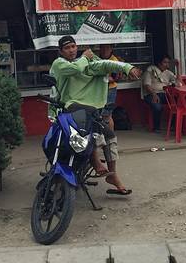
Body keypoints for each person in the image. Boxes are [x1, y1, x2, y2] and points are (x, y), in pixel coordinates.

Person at [50, 35, 141, 195]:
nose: (71, 50)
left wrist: (128, 68)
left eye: (73, 46)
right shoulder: (60, 64)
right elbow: (75, 69)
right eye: (67, 48)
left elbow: (106, 64)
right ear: (61, 51)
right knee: (88, 124)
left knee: (110, 135)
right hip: (67, 108)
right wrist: (85, 57)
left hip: (89, 110)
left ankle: (112, 174)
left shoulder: (87, 64)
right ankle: (95, 161)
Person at [141, 54, 180, 132]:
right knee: (157, 107)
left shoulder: (168, 72)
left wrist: (178, 68)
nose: (167, 65)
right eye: (165, 62)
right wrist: (154, 94)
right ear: (159, 63)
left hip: (164, 94)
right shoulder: (150, 70)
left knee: (178, 103)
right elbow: (147, 85)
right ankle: (156, 128)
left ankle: (173, 126)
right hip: (150, 94)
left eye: (168, 63)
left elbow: (178, 82)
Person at [99, 44, 120, 131]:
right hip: (99, 90)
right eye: (103, 47)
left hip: (110, 90)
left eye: (107, 48)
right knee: (99, 115)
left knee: (107, 115)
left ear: (111, 49)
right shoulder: (98, 59)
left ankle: (111, 136)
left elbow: (115, 78)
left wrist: (101, 78)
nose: (105, 50)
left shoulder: (114, 61)